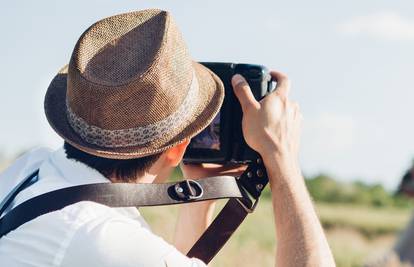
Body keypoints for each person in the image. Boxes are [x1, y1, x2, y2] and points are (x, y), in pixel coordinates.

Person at [0, 9, 335, 267]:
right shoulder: (102, 240)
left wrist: (200, 192)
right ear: (177, 149)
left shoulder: (31, 169)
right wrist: (283, 159)